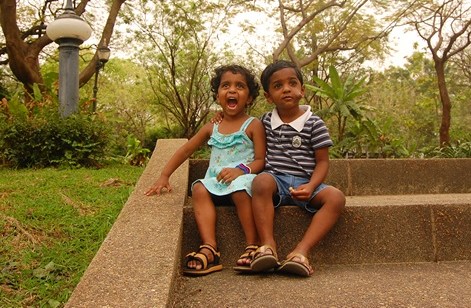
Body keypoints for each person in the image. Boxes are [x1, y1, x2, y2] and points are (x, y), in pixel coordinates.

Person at [145, 64, 265, 276]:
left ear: (249, 98)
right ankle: (210, 248)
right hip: (216, 182)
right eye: (225, 85)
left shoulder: (253, 124)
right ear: (218, 95)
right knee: (199, 188)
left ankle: (251, 245)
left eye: (240, 86)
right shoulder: (212, 127)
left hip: (243, 180)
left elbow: (260, 160)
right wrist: (164, 175)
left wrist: (240, 170)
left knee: (239, 189)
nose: (232, 90)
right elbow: (186, 150)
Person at [247, 60, 346, 277]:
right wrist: (219, 117)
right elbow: (241, 126)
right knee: (260, 181)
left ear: (302, 90)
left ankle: (300, 252)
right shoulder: (263, 122)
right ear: (268, 96)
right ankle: (268, 246)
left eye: (292, 83)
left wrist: (311, 186)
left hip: (307, 184)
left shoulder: (315, 123)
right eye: (278, 86)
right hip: (276, 181)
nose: (286, 89)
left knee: (336, 197)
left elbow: (322, 162)